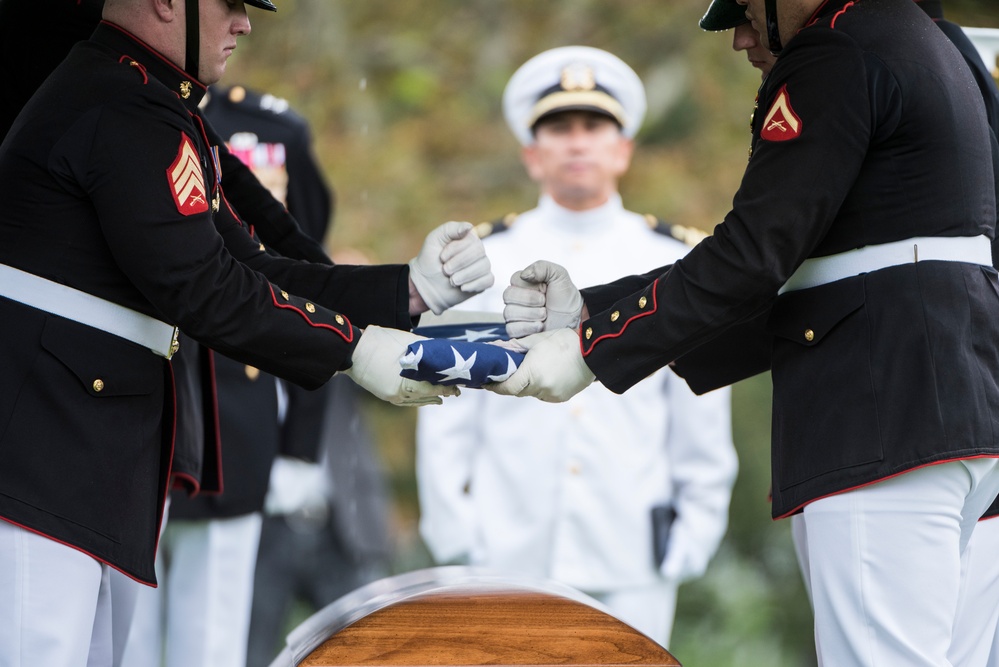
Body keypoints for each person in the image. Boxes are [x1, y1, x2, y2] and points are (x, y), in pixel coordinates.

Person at [488, 0, 999, 664]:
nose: (739, 38)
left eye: (748, 9)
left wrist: (591, 347)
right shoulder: (943, 44)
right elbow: (835, 268)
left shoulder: (834, 49)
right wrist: (588, 309)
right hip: (967, 404)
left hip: (879, 410)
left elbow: (753, 254)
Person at [0, 1, 494, 665]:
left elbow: (261, 262)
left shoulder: (152, 102)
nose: (245, 23)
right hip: (44, 457)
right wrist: (355, 348)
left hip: (85, 456)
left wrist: (409, 290)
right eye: (230, 3)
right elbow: (203, 288)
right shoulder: (120, 105)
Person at [414, 46, 738, 649]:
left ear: (623, 149)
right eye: (559, 128)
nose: (578, 142)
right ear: (532, 155)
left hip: (631, 546)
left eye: (595, 126)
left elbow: (697, 401)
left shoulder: (671, 260)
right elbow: (449, 404)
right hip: (506, 548)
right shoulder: (484, 260)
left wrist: (699, 521)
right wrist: (454, 529)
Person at [118, 83, 343, 667]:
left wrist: (302, 444)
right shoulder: (110, 107)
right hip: (120, 402)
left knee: (213, 641)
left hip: (232, 412)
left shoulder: (273, 129)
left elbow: (308, 287)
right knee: (115, 642)